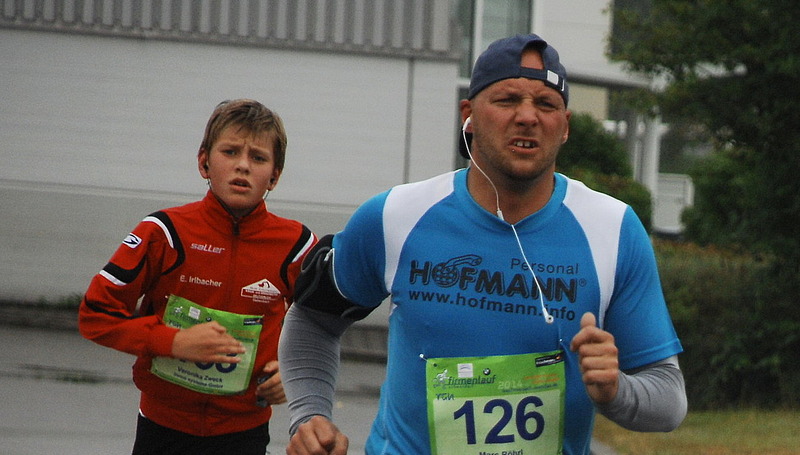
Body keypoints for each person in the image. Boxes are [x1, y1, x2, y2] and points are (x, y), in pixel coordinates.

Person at [278, 34, 687, 455]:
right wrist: (310, 416)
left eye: (546, 104)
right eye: (507, 100)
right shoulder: (397, 215)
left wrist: (615, 390)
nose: (527, 117)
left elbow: (669, 401)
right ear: (468, 116)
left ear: (564, 126)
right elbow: (312, 321)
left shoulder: (613, 229)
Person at [79, 99, 317, 454]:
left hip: (244, 432)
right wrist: (172, 342)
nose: (242, 165)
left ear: (274, 176)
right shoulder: (163, 232)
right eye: (230, 151)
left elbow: (318, 330)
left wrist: (292, 372)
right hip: (162, 427)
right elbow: (95, 316)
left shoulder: (297, 246)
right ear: (204, 162)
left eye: (258, 157)